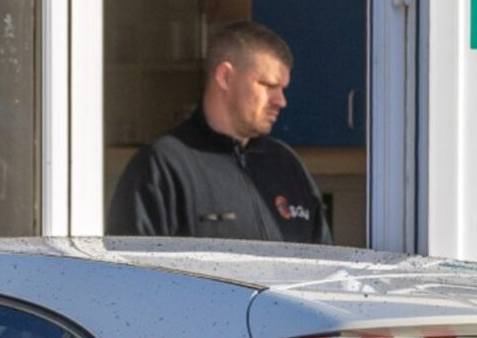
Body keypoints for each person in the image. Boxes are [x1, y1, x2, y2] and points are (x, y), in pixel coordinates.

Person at [108, 20, 333, 244]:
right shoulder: (163, 167)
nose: (281, 101)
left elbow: (324, 265)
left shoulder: (286, 165)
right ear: (225, 77)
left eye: (282, 89)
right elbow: (129, 273)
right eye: (268, 86)